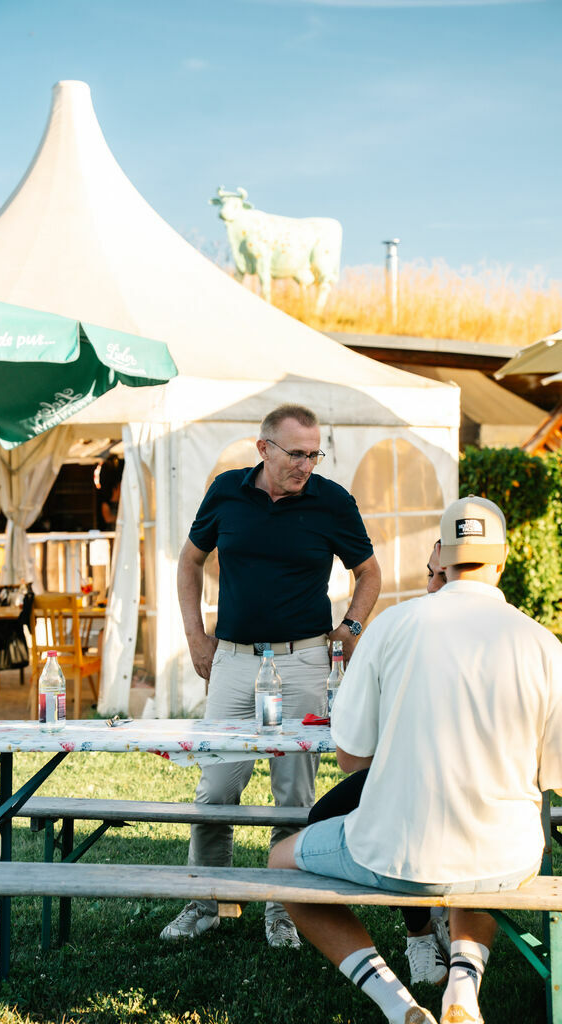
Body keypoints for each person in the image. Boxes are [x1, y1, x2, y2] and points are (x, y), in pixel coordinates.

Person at [270, 495, 562, 1024]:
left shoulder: (391, 626)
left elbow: (351, 758)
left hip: (395, 852)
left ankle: (397, 1003)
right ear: (502, 559)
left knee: (281, 863)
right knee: (480, 860)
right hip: (507, 855)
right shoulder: (543, 645)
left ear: (441, 559)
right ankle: (463, 987)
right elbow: (556, 775)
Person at [161, 403, 381, 948]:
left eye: (313, 454)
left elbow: (369, 573)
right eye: (295, 454)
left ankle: (283, 908)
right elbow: (189, 562)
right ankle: (207, 901)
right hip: (233, 661)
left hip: (303, 661)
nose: (305, 465)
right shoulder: (226, 491)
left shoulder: (332, 501)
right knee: (216, 789)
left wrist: (350, 630)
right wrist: (196, 636)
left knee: (293, 795)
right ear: (264, 448)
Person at [307, 540, 450, 987]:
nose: (431, 587)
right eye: (429, 574)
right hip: (412, 774)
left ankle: (424, 933)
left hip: (456, 781)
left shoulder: (473, 637)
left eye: (442, 576)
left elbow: (352, 755)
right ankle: (425, 927)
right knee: (325, 816)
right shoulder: (409, 630)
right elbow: (354, 754)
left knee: (400, 816)